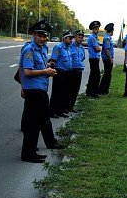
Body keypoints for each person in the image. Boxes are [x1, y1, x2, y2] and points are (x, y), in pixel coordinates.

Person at [19, 20, 63, 163]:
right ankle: (28, 153)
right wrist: (46, 71)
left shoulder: (43, 48)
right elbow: (26, 71)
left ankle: (45, 144)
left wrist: (48, 65)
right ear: (34, 35)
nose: (43, 39)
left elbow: (39, 65)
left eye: (45, 36)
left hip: (41, 88)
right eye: (40, 36)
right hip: (33, 89)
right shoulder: (29, 50)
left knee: (44, 118)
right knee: (33, 123)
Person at [49, 31, 74, 118]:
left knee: (64, 93)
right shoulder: (58, 47)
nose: (71, 40)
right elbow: (53, 61)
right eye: (70, 38)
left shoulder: (69, 49)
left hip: (67, 73)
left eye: (72, 38)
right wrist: (53, 71)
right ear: (64, 39)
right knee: (56, 93)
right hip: (59, 73)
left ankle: (60, 110)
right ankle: (52, 111)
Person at [67, 30, 86, 112]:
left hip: (79, 71)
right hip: (71, 71)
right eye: (79, 37)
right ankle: (65, 107)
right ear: (75, 37)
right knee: (69, 90)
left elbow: (82, 58)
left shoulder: (82, 48)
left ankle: (71, 106)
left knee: (75, 90)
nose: (80, 39)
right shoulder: (70, 46)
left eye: (82, 38)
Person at [86, 21, 101, 98]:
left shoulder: (95, 37)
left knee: (93, 75)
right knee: (96, 76)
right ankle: (93, 92)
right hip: (93, 58)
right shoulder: (92, 38)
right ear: (92, 29)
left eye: (98, 29)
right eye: (95, 29)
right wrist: (99, 49)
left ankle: (90, 92)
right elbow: (97, 49)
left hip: (95, 58)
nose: (97, 30)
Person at [98, 23, 115, 95]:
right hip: (107, 58)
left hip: (108, 58)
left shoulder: (108, 38)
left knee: (107, 74)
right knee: (107, 75)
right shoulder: (107, 38)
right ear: (112, 30)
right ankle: (103, 90)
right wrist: (110, 59)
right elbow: (107, 50)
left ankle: (104, 89)